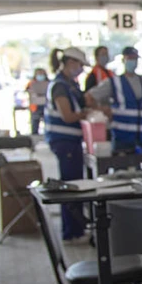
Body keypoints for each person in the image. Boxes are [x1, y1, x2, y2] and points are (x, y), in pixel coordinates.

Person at [85, 46, 142, 152]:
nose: (133, 62)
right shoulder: (114, 82)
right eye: (130, 58)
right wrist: (104, 110)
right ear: (123, 60)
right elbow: (89, 97)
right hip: (122, 138)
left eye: (135, 59)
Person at [45, 48, 91, 244]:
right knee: (70, 186)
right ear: (69, 62)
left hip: (71, 142)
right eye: (79, 65)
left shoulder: (70, 85)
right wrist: (86, 113)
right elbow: (68, 115)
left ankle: (77, 228)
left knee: (75, 184)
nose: (80, 69)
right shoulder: (59, 87)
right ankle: (71, 232)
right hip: (64, 142)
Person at [25, 67, 49, 135]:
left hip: (46, 105)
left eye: (42, 74)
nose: (40, 76)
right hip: (35, 107)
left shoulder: (49, 83)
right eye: (39, 74)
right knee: (35, 123)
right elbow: (27, 91)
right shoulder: (31, 83)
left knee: (47, 124)